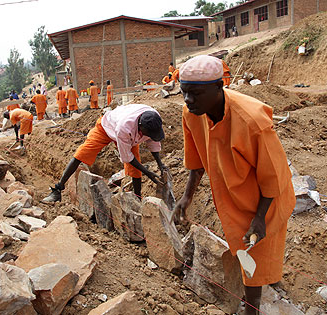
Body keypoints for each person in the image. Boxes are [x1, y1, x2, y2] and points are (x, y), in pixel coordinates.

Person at [175, 55, 295, 315]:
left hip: (265, 198)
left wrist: (260, 217)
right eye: (184, 92)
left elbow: (272, 176)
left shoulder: (253, 121)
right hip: (231, 194)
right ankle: (268, 282)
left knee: (256, 253)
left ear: (219, 87)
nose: (188, 100)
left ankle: (252, 309)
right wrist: (187, 197)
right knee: (248, 252)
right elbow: (195, 159)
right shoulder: (191, 113)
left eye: (195, 93)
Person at [42, 104, 166, 203]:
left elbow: (153, 142)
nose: (149, 136)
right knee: (82, 154)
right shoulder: (124, 128)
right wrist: (148, 173)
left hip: (127, 134)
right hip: (106, 128)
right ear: (140, 127)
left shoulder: (154, 119)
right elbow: (127, 157)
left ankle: (137, 200)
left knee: (136, 170)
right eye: (147, 134)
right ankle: (58, 189)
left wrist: (160, 164)